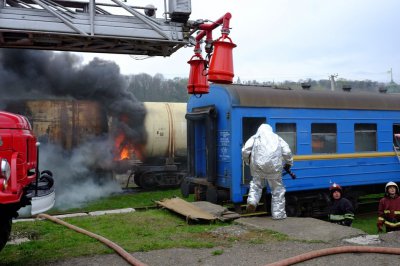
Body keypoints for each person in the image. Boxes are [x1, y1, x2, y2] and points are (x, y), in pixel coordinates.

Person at [241, 124, 293, 219]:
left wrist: (248, 161)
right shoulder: (277, 138)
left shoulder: (255, 137)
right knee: (277, 190)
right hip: (274, 168)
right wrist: (289, 163)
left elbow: (245, 150)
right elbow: (287, 152)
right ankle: (278, 214)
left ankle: (252, 201)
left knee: (256, 185)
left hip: (258, 167)